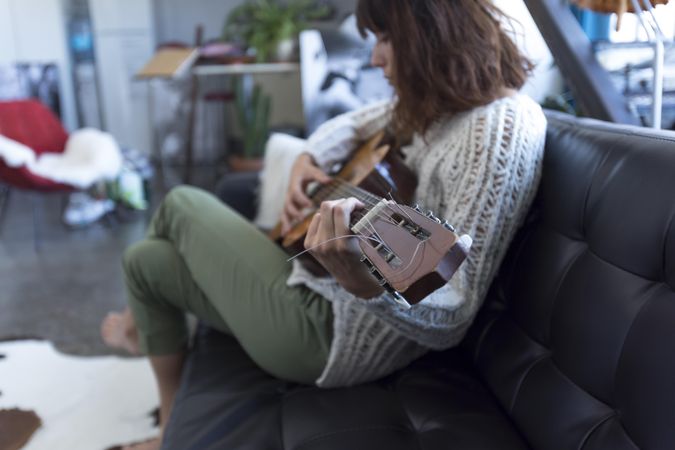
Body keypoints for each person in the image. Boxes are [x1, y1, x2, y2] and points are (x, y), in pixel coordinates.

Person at [102, 1, 547, 448]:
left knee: (181, 202)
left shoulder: (500, 129)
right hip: (320, 298)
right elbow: (358, 121)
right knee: (146, 261)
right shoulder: (441, 108)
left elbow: (453, 311)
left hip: (333, 337)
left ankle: (132, 327)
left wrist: (368, 287)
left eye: (385, 39)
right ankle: (168, 431)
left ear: (437, 33)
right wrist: (306, 157)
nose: (375, 59)